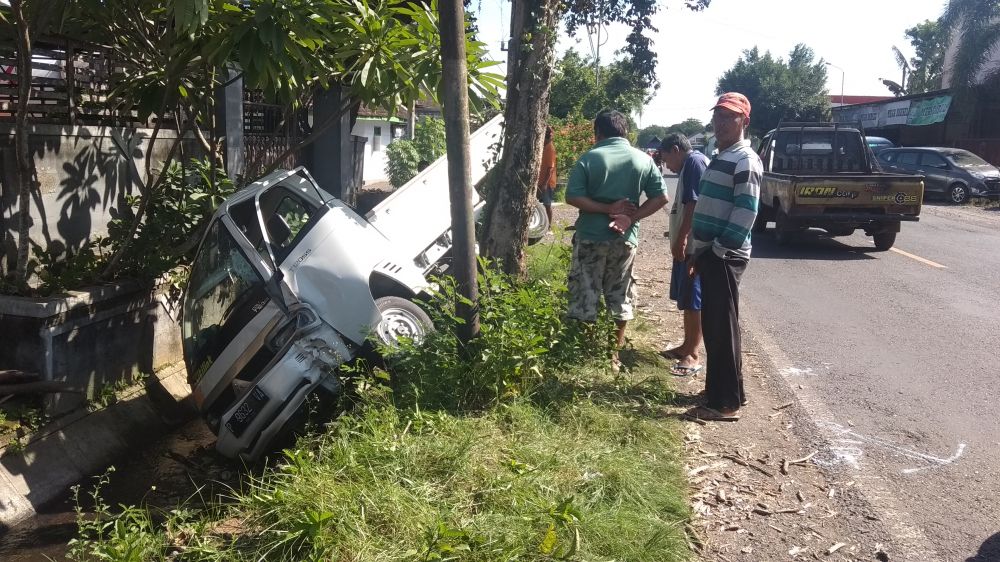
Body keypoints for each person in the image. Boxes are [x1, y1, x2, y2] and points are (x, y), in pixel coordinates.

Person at [565, 109, 668, 370]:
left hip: (590, 237)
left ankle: (587, 353)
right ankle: (613, 355)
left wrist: (605, 208)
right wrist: (631, 218)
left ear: (597, 132)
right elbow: (661, 198)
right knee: (620, 294)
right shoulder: (643, 159)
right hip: (625, 239)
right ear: (625, 132)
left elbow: (572, 197)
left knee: (586, 291)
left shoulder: (589, 158)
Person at [685, 92, 762, 422]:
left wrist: (716, 251)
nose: (720, 122)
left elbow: (747, 212)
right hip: (712, 253)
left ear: (744, 121)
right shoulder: (723, 155)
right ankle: (728, 393)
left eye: (728, 117)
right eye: (717, 115)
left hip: (724, 255)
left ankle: (724, 404)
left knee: (721, 327)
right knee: (718, 327)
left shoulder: (745, 159)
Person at [657, 133, 710, 376]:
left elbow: (694, 204)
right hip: (688, 243)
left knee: (693, 300)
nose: (666, 164)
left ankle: (692, 354)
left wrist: (683, 238)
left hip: (693, 246)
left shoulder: (693, 163)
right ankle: (686, 346)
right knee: (687, 299)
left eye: (666, 157)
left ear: (676, 149)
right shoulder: (690, 164)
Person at [537, 125, 557, 229]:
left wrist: (544, 184)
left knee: (547, 204)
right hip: (540, 181)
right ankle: (539, 223)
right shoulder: (544, 147)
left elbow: (550, 168)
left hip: (547, 182)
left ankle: (549, 226)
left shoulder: (550, 148)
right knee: (535, 202)